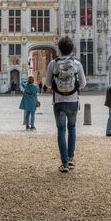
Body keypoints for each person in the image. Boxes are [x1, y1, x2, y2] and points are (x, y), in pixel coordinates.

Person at [45, 36, 86, 173]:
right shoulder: (77, 63)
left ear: (59, 48)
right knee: (72, 128)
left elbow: (47, 84)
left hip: (59, 101)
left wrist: (58, 88)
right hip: (73, 100)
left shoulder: (53, 63)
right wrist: (74, 87)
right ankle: (70, 158)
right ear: (72, 49)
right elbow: (83, 83)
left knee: (61, 130)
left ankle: (64, 163)